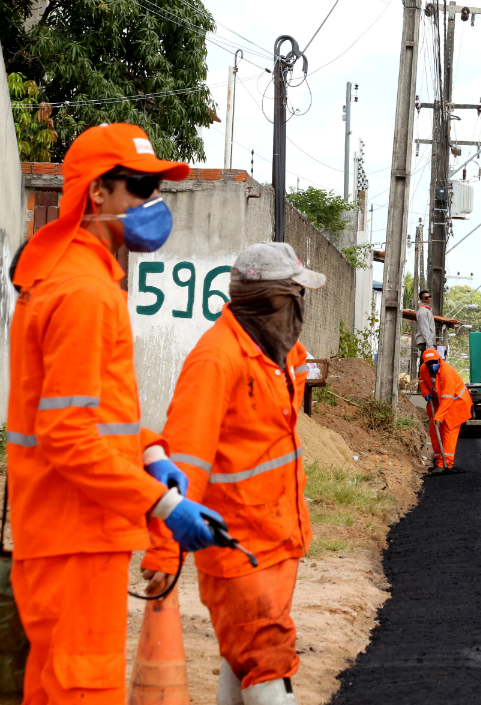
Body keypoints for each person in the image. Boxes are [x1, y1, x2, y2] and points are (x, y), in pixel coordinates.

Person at [6, 123, 222, 702]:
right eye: (140, 186)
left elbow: (100, 411)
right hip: (73, 535)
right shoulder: (83, 292)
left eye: (157, 189)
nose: (153, 203)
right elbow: (67, 436)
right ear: (97, 194)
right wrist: (161, 502)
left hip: (64, 533)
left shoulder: (78, 277)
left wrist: (148, 450)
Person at [141, 242, 326, 705]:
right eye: (296, 298)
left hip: (278, 541)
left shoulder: (275, 355)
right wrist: (165, 556)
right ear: (272, 301)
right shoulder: (217, 361)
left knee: (242, 658)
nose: (301, 310)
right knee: (267, 658)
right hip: (238, 548)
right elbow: (184, 462)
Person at [418, 347, 474, 474]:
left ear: (439, 359)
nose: (432, 365)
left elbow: (447, 397)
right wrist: (426, 392)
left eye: (435, 362)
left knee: (448, 431)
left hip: (456, 403)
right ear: (425, 363)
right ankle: (439, 462)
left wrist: (439, 417)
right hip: (438, 401)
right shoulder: (423, 369)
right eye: (429, 363)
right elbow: (421, 381)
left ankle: (447, 464)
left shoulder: (446, 371)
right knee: (435, 430)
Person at [415, 288, 436, 353]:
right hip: (425, 342)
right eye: (426, 298)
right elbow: (425, 329)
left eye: (430, 297)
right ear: (421, 299)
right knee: (426, 362)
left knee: (426, 362)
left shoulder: (427, 310)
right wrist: (430, 345)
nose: (429, 298)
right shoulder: (423, 312)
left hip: (427, 342)